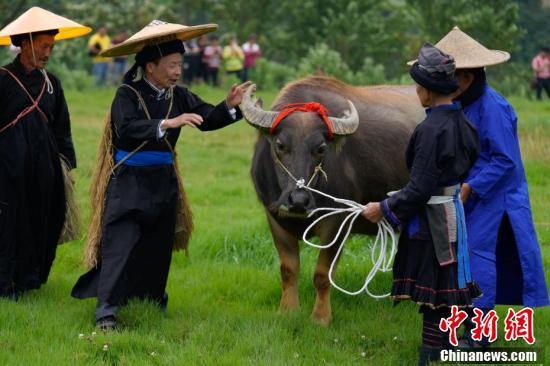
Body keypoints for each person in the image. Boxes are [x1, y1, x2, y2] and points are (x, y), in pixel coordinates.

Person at [71, 20, 252, 330]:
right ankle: (106, 313)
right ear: (151, 66)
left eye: (180, 64)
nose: (178, 71)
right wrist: (166, 124)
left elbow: (206, 118)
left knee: (157, 247)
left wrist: (229, 107)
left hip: (164, 184)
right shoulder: (126, 94)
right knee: (121, 245)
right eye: (172, 65)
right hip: (129, 182)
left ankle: (151, 302)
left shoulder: (177, 94)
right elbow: (124, 129)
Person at [362, 43, 481, 365]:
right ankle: (458, 344)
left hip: (433, 222)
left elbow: (420, 188)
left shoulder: (430, 130)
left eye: (418, 86)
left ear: (427, 91)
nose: (416, 92)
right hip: (453, 212)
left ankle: (430, 356)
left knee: (435, 294)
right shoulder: (465, 124)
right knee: (448, 288)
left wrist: (383, 209)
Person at [432, 26, 550, 347]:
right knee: (466, 260)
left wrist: (470, 187)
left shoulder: (492, 108)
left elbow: (504, 160)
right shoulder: (461, 104)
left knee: (479, 259)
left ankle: (480, 336)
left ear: (466, 78)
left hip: (495, 200)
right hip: (470, 196)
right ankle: (466, 325)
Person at [0, 6, 90, 300]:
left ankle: (30, 279)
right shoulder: (2, 79)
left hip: (45, 170)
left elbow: (62, 128)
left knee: (42, 220)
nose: (48, 52)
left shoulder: (53, 84)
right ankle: (6, 283)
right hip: (8, 168)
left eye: (51, 46)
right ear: (24, 44)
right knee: (10, 223)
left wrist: (66, 167)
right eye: (43, 46)